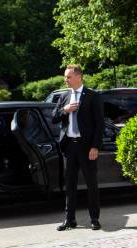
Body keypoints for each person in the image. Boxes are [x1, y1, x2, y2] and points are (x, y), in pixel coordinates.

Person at [52, 64, 103, 231]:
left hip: (86, 147)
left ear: (78, 77)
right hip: (69, 147)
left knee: (91, 184)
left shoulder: (92, 96)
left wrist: (95, 146)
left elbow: (99, 124)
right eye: (65, 77)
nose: (65, 79)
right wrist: (65, 110)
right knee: (70, 185)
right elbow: (54, 117)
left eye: (68, 77)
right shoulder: (64, 96)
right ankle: (69, 220)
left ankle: (94, 219)